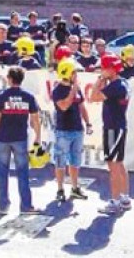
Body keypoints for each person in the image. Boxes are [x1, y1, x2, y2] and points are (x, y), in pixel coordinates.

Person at [0, 67, 43, 215]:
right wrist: (38, 137)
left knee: (2, 172)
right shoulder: (28, 96)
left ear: (9, 79)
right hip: (20, 138)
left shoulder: (2, 96)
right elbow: (35, 119)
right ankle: (26, 206)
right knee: (23, 172)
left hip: (3, 138)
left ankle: (3, 206)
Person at [90, 53, 132, 215]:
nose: (101, 70)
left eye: (103, 68)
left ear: (111, 69)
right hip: (118, 125)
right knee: (119, 163)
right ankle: (125, 198)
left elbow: (93, 97)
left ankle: (114, 201)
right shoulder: (123, 83)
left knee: (113, 165)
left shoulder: (114, 86)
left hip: (113, 127)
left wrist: (99, 81)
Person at [52, 58, 92, 202]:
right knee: (61, 161)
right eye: (75, 72)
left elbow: (82, 106)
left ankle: (75, 188)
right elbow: (64, 106)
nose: (77, 75)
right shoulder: (57, 90)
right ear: (68, 73)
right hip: (63, 130)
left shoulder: (77, 89)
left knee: (75, 161)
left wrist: (88, 123)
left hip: (77, 129)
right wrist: (73, 90)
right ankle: (60, 189)